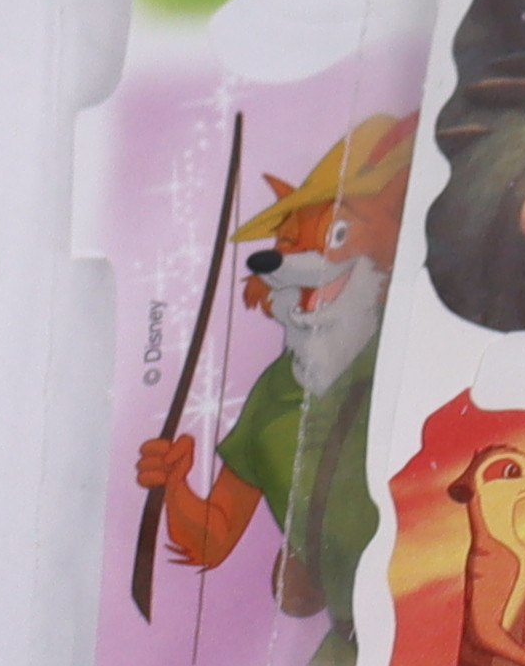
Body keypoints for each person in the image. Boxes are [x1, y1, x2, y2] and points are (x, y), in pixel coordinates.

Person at [133, 114, 407, 638]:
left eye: (335, 233)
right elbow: (212, 537)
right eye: (288, 245)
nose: (291, 263)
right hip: (355, 641)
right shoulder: (276, 390)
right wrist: (175, 485)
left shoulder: (405, 352)